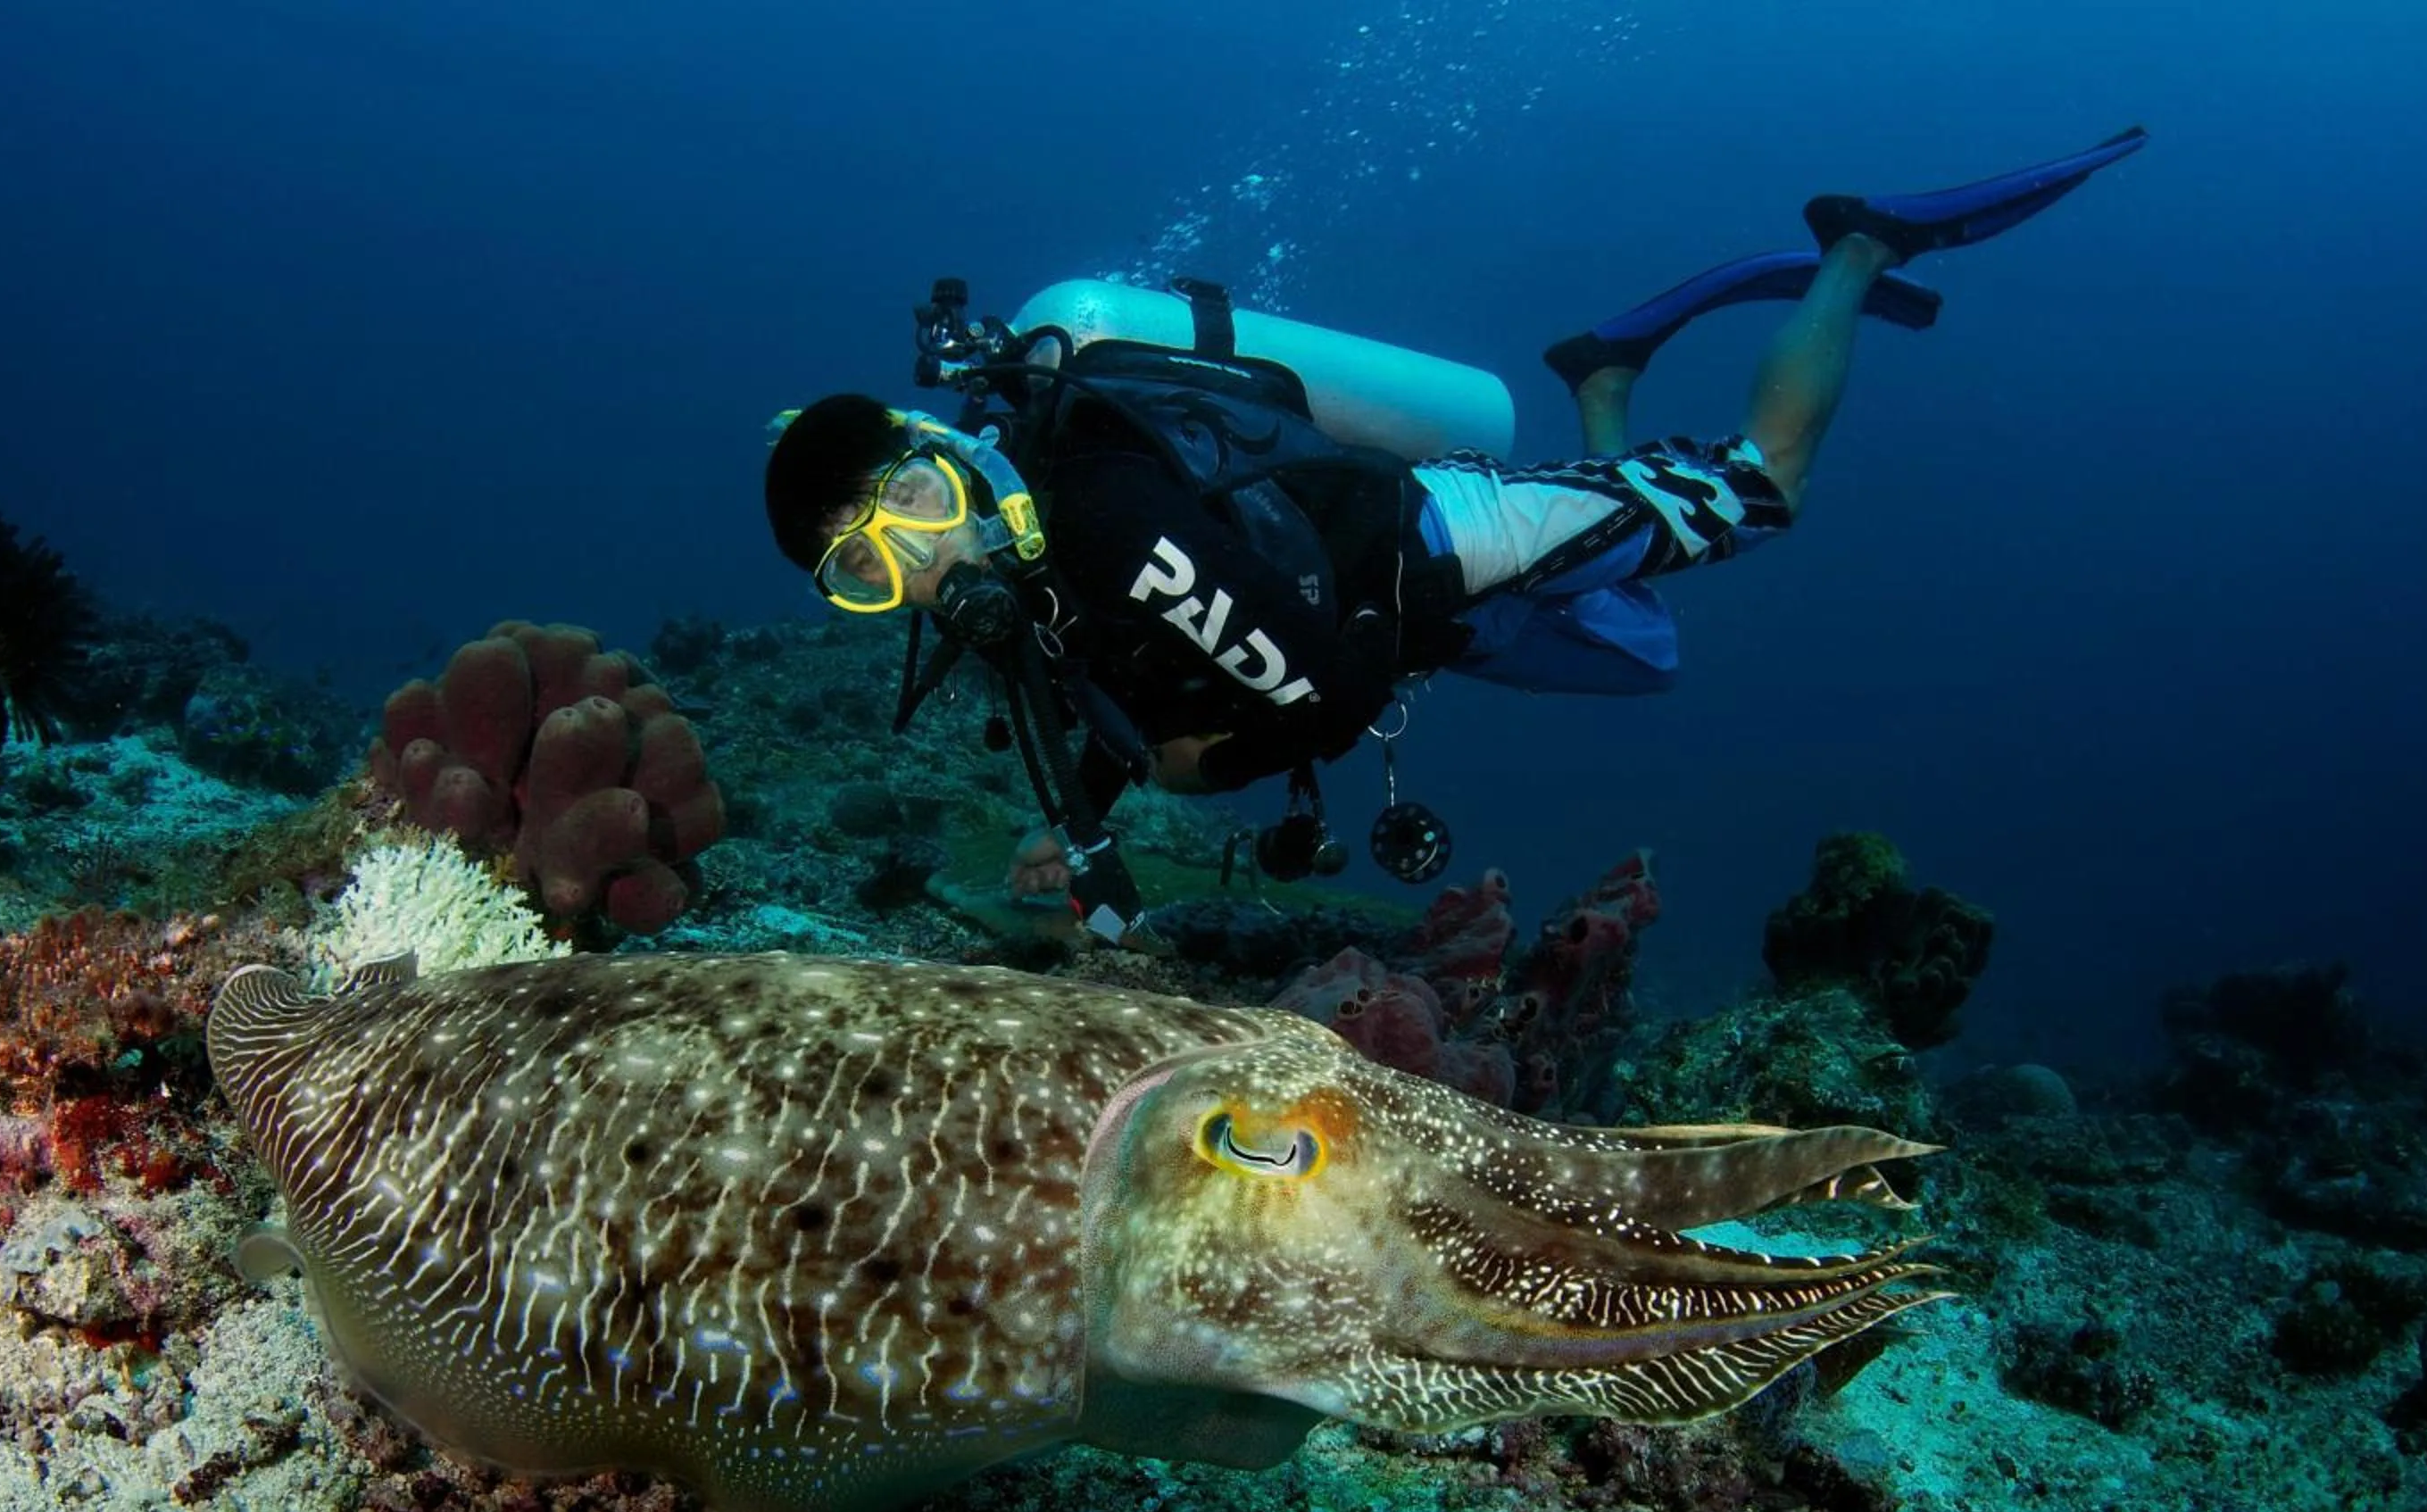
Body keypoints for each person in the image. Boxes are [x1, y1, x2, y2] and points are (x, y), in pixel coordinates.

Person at [763, 129, 2147, 939]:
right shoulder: (1018, 593)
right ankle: (1605, 377)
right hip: (1421, 618)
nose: (928, 565)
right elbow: (1124, 712)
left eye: (920, 513)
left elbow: (1325, 690)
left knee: (1765, 487)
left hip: (1445, 545)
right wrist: (1127, 797)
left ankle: (1859, 245)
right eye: (869, 570)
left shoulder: (1106, 519)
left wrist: (1195, 766)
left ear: (949, 454)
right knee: (1642, 656)